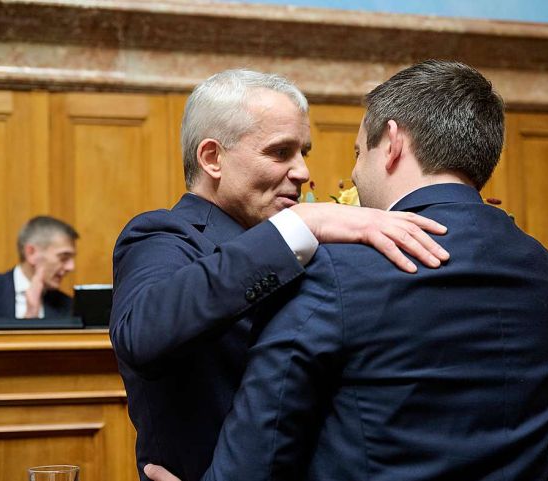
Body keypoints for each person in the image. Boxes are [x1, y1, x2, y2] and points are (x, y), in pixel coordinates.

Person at [146, 60, 548, 481]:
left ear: (393, 143)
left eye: (359, 152)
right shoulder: (542, 268)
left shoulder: (336, 270)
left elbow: (263, 449)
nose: (352, 172)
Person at [110, 69, 452, 481]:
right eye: (280, 152)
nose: (303, 171)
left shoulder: (307, 246)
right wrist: (300, 224)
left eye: (303, 152)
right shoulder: (162, 234)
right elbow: (142, 332)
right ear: (212, 158)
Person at [0, 215, 78, 318]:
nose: (71, 267)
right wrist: (31, 314)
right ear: (31, 253)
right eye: (63, 257)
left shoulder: (68, 305)